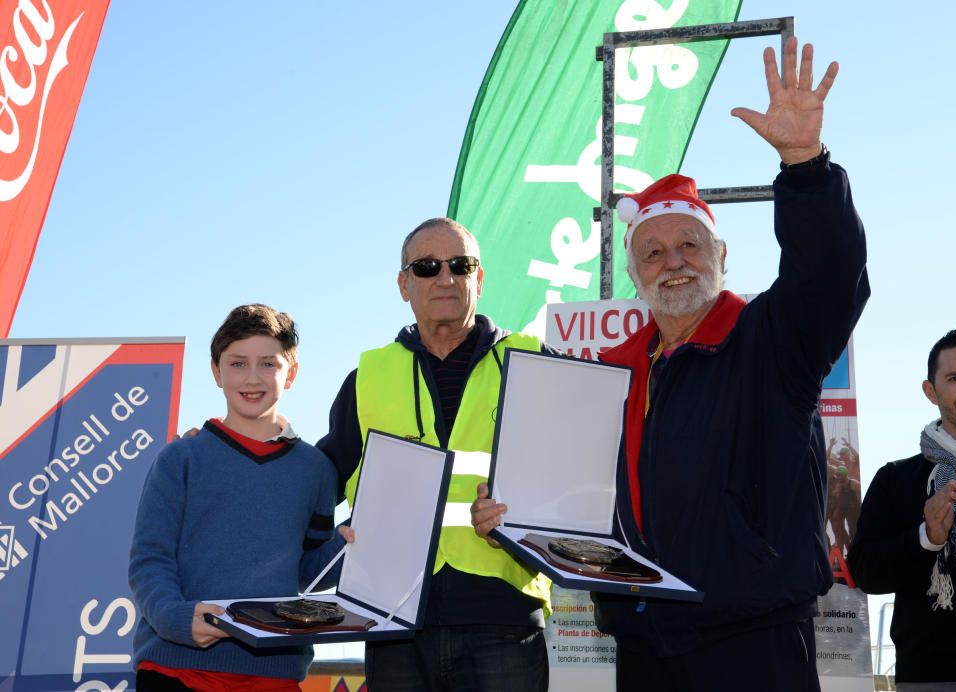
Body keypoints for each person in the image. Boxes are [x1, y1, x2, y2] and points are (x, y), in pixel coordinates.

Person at [470, 37, 869, 691]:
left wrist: (805, 168)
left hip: (754, 642)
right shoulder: (609, 377)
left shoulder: (770, 341)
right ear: (633, 273)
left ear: (721, 257)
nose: (674, 260)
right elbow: (581, 509)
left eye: (690, 243)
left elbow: (830, 276)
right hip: (644, 646)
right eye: (653, 252)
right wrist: (514, 520)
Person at [316, 219, 554, 691]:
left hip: (502, 616)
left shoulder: (531, 360)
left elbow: (569, 484)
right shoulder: (368, 375)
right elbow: (313, 481)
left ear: (479, 279)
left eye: (459, 265)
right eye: (426, 267)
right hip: (392, 620)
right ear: (404, 284)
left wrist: (525, 515)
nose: (445, 278)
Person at [129, 304, 350, 691]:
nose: (252, 378)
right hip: (176, 670)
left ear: (291, 373)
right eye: (237, 364)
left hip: (274, 674)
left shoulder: (316, 469)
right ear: (216, 372)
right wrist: (175, 618)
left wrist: (353, 544)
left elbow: (307, 572)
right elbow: (150, 561)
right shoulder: (181, 458)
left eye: (268, 364)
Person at [849, 327, 956, 690]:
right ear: (930, 391)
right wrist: (926, 538)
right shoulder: (896, 478)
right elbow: (866, 573)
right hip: (927, 675)